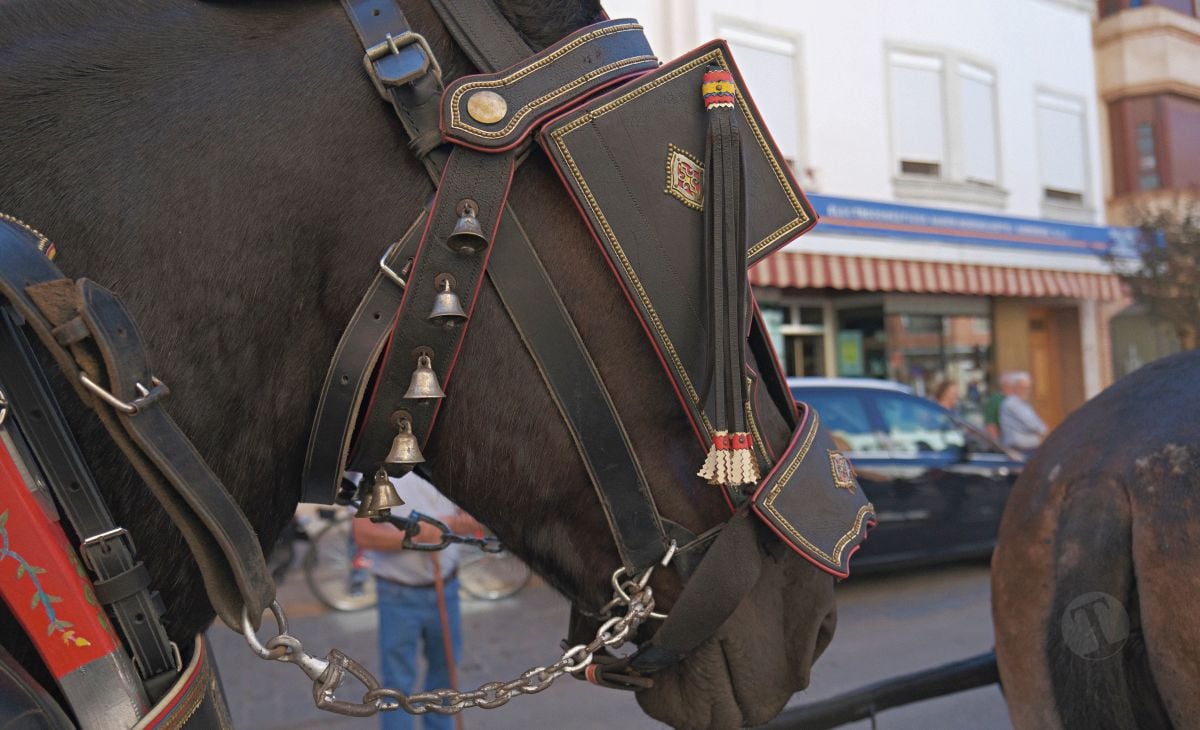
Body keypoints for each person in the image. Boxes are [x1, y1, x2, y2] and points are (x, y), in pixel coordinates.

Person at [351, 471, 481, 730]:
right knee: (397, 681)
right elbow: (364, 535)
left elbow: (474, 521)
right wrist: (418, 536)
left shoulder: (449, 466)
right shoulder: (375, 473)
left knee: (445, 673)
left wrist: (449, 525)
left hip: (446, 587)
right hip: (398, 593)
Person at [998, 371, 1047, 456]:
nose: (1026, 391)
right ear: (1015, 388)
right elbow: (1032, 424)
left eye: (1028, 388)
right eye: (1023, 388)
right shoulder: (1012, 403)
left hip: (1029, 447)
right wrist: (1045, 434)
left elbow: (1038, 423)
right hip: (1020, 450)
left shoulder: (1023, 403)